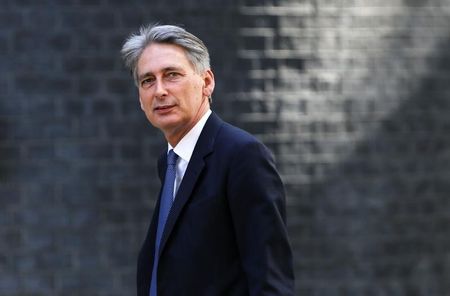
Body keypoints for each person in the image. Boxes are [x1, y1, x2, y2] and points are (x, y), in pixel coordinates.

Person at [121, 24, 295, 296]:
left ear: (207, 81)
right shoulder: (169, 163)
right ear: (141, 99)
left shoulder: (242, 155)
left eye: (172, 75)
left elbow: (271, 281)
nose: (160, 91)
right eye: (148, 81)